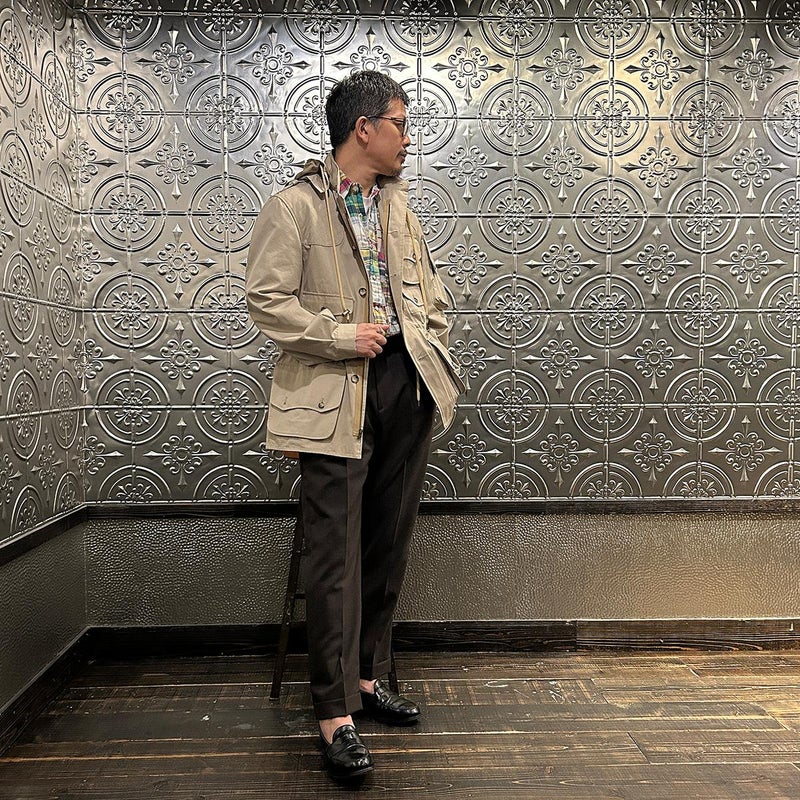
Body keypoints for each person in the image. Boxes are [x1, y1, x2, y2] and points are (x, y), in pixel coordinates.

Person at [245, 71, 463, 782]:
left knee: (386, 543)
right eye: (400, 123)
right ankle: (334, 715)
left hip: (406, 384)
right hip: (334, 391)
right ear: (363, 128)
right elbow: (266, 301)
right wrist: (341, 337)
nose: (408, 139)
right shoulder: (294, 207)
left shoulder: (399, 209)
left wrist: (431, 344)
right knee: (334, 556)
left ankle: (367, 680)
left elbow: (429, 293)